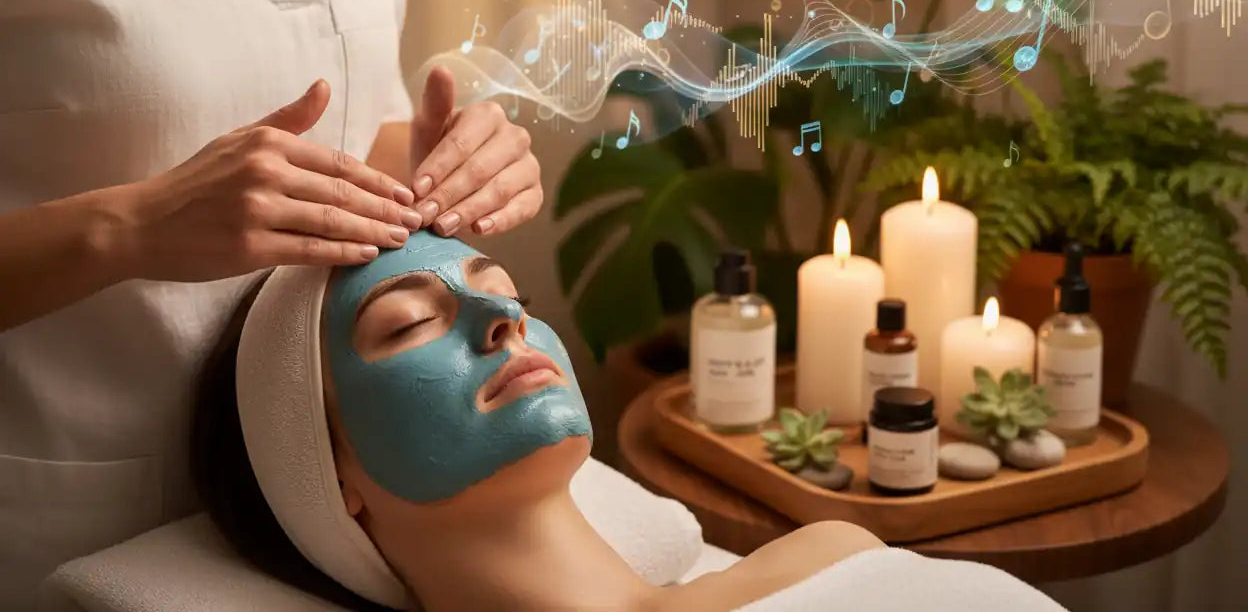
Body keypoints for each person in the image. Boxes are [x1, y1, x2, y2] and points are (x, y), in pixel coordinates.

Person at [0, 0, 541, 606]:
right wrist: (133, 227)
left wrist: (433, 172)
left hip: (320, 517)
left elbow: (356, 127)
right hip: (82, 511)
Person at [197, 232, 890, 611]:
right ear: (329, 474)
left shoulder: (831, 555)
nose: (506, 317)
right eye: (409, 323)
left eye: (511, 294)